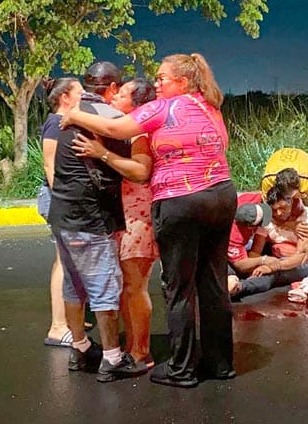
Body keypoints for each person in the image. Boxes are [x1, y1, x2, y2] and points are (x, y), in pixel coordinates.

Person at [61, 53, 237, 388]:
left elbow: (114, 127)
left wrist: (73, 113)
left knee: (179, 287)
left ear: (182, 82)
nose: (156, 84)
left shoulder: (163, 107)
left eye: (162, 78)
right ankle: (220, 363)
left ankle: (182, 369)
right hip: (222, 194)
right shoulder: (211, 108)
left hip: (181, 200)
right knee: (213, 283)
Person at [47, 76, 148, 383]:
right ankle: (113, 358)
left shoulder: (67, 118)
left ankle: (80, 348)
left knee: (74, 286)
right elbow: (140, 171)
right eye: (119, 90)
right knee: (104, 289)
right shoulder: (109, 118)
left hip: (62, 216)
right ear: (111, 88)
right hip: (90, 219)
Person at [71, 77, 159, 368]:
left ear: (137, 103)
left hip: (138, 214)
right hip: (122, 213)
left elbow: (140, 172)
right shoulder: (123, 128)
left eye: (121, 94)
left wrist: (102, 154)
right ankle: (130, 347)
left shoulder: (139, 131)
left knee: (135, 285)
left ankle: (141, 351)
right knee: (124, 286)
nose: (114, 98)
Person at [39, 77, 83, 347]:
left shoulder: (65, 122)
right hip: (58, 199)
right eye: (79, 91)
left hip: (62, 199)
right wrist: (63, 198)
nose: (84, 95)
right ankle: (58, 326)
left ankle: (70, 316)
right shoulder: (56, 123)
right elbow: (50, 165)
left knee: (71, 262)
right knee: (64, 262)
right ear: (65, 97)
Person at [260, 148, 308, 264]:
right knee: (273, 212)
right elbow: (266, 212)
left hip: (303, 164)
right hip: (275, 167)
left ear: (298, 190)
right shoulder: (268, 181)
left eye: (289, 198)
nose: (289, 201)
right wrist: (291, 225)